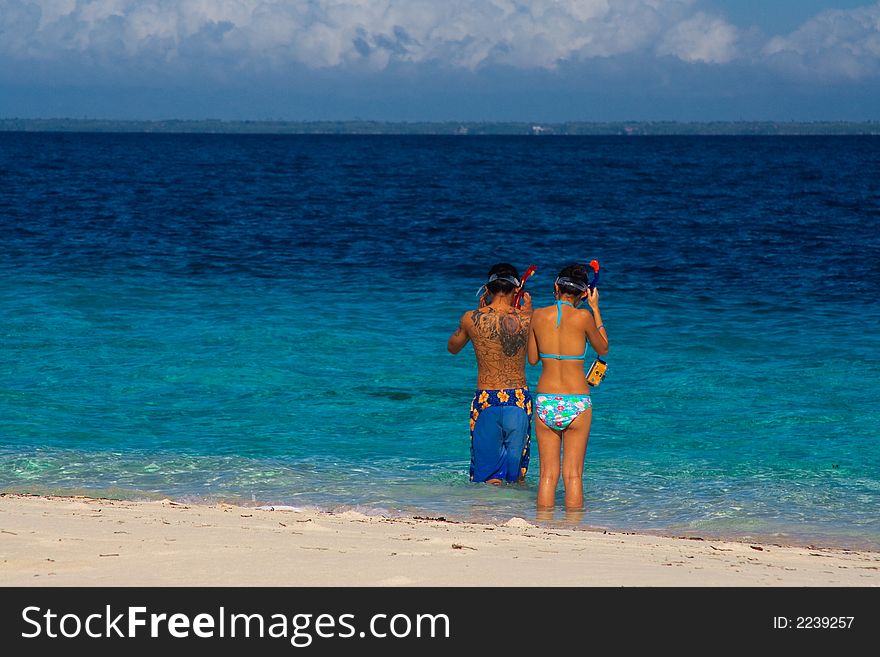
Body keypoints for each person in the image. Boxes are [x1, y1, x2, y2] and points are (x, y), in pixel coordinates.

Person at [527, 264, 608, 509]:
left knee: (547, 476)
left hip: (546, 401)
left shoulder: (538, 315)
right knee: (573, 476)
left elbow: (532, 360)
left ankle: (542, 528)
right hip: (577, 401)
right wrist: (595, 309)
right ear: (584, 294)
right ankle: (574, 529)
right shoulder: (584, 317)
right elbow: (603, 348)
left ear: (556, 287)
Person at [447, 263, 533, 485]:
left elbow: (453, 347)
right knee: (517, 474)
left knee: (487, 474)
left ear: (487, 289)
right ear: (517, 290)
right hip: (518, 398)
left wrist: (477, 313)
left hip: (486, 398)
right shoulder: (529, 319)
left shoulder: (470, 318)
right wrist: (529, 313)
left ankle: (488, 514)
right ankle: (519, 515)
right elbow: (536, 357)